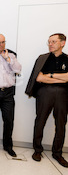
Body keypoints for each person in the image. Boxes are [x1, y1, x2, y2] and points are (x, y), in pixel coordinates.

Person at [25, 33, 68, 168]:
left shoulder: (67, 59)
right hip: (44, 93)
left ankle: (57, 153)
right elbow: (39, 78)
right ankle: (37, 150)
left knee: (61, 124)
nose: (50, 44)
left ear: (62, 43)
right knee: (40, 121)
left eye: (53, 41)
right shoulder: (42, 58)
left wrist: (49, 75)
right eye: (49, 42)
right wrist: (60, 78)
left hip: (63, 95)